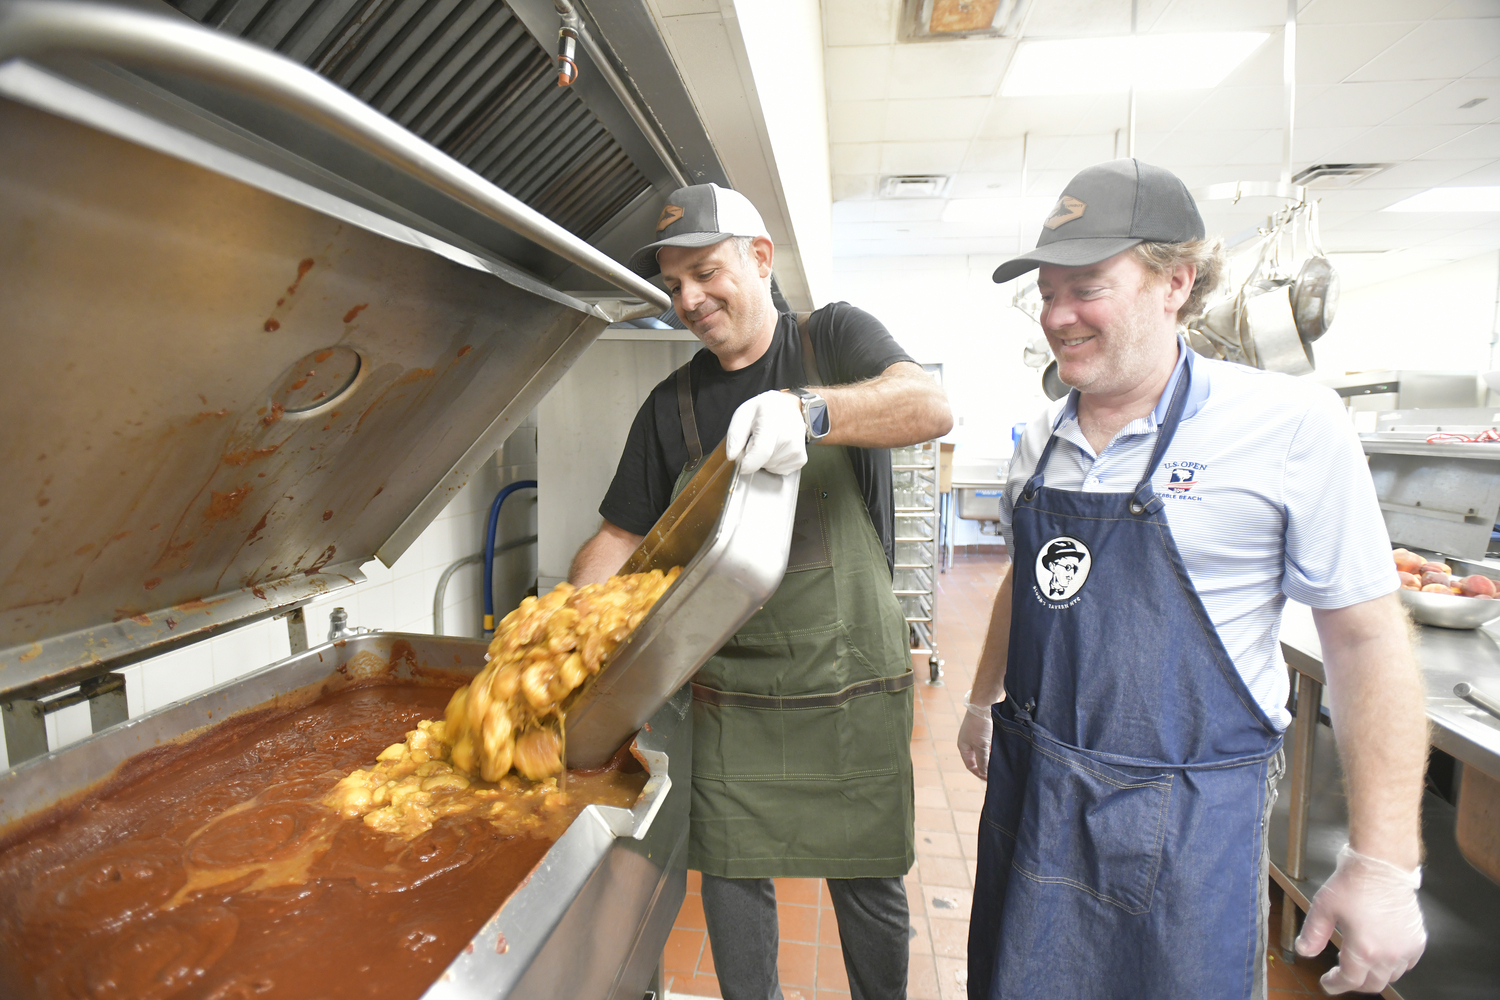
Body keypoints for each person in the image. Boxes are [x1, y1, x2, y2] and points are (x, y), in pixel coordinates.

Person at [957, 159, 1429, 1000]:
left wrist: (1384, 864)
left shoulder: (1288, 425)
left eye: (1086, 288)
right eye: (1047, 291)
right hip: (1035, 802)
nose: (1057, 315)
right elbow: (1027, 584)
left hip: (1186, 832)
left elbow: (1365, 642)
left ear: (1175, 280)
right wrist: (979, 695)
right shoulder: (1040, 439)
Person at [570, 182, 952, 1000]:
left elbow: (926, 405)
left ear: (760, 257)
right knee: (735, 881)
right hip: (730, 692)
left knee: (870, 882)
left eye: (705, 272)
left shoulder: (832, 339)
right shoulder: (670, 406)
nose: (690, 300)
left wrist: (811, 412)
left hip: (848, 678)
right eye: (673, 286)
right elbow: (618, 538)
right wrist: (571, 627)